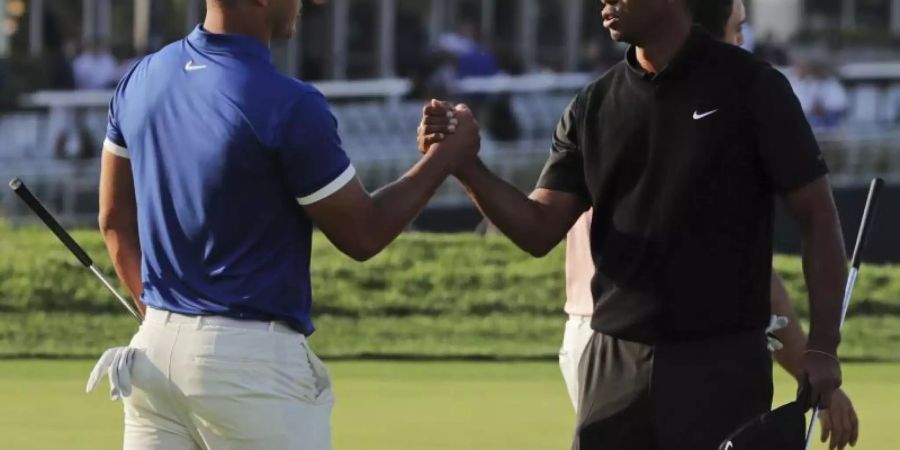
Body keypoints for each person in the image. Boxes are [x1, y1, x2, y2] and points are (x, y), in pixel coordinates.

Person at [418, 0, 848, 448]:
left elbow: (817, 216)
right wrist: (466, 165)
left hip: (721, 361)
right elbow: (538, 228)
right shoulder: (594, 103)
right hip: (612, 362)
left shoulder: (754, 86)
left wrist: (821, 347)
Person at [90, 0, 478, 449]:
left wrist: (159, 315)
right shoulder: (289, 102)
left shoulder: (140, 79)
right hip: (250, 368)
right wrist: (445, 157)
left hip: (153, 352)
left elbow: (114, 221)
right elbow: (363, 232)